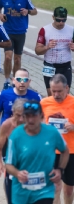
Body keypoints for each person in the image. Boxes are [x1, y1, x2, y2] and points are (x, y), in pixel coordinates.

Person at [5, 99, 69, 204]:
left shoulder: (52, 133)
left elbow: (65, 151)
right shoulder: (16, 136)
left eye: (34, 116)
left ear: (41, 116)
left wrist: (59, 169)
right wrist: (18, 173)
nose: (30, 120)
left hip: (44, 191)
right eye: (27, 116)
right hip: (21, 193)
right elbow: (8, 165)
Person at [0, 0, 37, 90]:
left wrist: (27, 11)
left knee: (17, 59)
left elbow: (35, 11)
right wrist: (0, 15)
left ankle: (15, 80)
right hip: (8, 32)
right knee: (8, 57)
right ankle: (6, 80)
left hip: (20, 32)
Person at [0, 68, 42, 151]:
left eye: (25, 80)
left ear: (29, 82)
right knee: (9, 162)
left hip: (28, 137)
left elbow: (42, 118)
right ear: (13, 80)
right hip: (7, 136)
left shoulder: (36, 97)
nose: (22, 82)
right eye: (19, 79)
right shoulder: (4, 94)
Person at [41, 74, 74, 204]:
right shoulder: (44, 103)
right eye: (53, 91)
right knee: (54, 187)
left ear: (67, 88)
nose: (55, 94)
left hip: (71, 151)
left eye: (59, 91)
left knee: (69, 189)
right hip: (51, 151)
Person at [35, 7, 74, 96]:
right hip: (50, 66)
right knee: (52, 95)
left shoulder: (71, 30)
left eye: (63, 20)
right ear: (53, 17)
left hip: (65, 66)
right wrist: (47, 47)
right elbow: (37, 51)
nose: (61, 23)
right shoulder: (44, 30)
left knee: (65, 95)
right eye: (58, 20)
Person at [0, 99, 25, 204]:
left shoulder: (34, 125)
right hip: (12, 166)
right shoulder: (7, 125)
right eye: (17, 115)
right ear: (12, 111)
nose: (20, 119)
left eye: (23, 115)